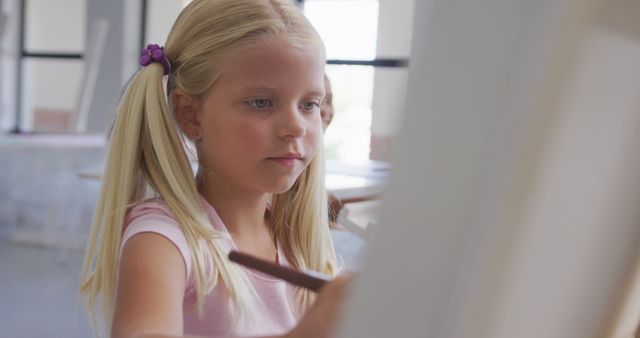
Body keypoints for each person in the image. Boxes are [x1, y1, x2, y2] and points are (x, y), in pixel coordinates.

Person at [79, 1, 352, 337]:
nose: (295, 127)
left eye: (309, 104)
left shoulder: (294, 237)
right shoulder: (162, 239)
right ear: (191, 115)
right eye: (261, 102)